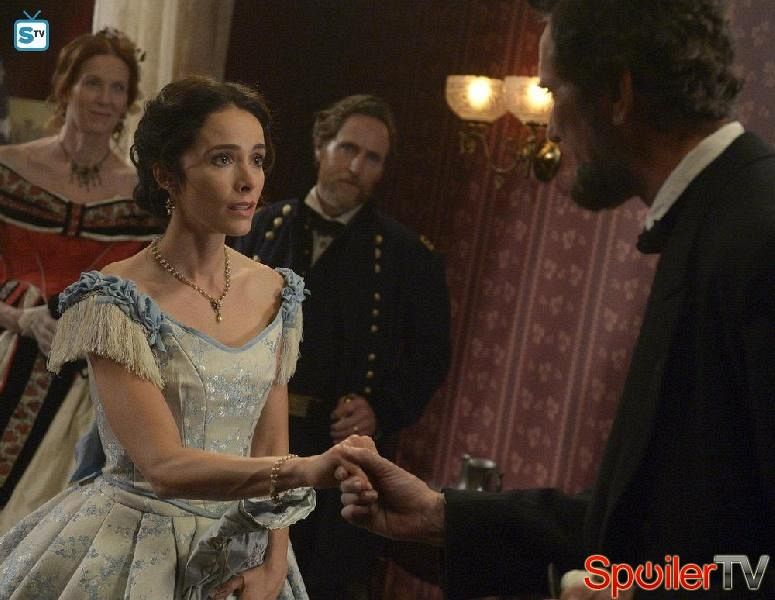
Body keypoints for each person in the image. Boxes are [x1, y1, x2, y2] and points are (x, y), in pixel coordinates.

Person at [340, 1, 775, 598]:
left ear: (617, 94)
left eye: (551, 92)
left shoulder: (758, 233)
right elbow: (646, 516)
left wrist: (641, 591)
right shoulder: (719, 219)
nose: (549, 129)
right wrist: (442, 514)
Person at [0, 75, 376, 599]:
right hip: (135, 545)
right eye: (223, 159)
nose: (248, 181)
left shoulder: (276, 291)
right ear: (166, 175)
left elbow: (271, 440)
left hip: (245, 548)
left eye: (257, 159)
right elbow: (164, 466)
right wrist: (309, 470)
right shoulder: (115, 299)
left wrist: (273, 562)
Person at [231, 94, 451, 598]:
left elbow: (431, 357)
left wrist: (381, 408)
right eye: (347, 148)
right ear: (320, 146)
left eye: (372, 158)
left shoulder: (408, 256)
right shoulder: (257, 227)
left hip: (339, 455)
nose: (356, 166)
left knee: (319, 584)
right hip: (246, 436)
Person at [0, 28, 162, 532]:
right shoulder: (9, 168)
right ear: (66, 86)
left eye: (117, 88)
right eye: (93, 83)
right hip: (6, 344)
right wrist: (20, 318)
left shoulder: (141, 197)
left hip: (82, 376)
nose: (104, 98)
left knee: (34, 524)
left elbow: (148, 294)